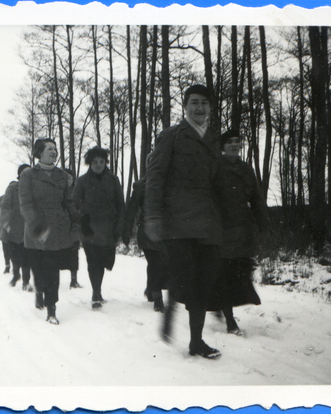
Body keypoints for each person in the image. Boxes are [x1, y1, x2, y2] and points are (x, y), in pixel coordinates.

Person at [144, 84, 223, 359]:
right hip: (178, 221)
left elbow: (219, 182)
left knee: (203, 281)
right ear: (185, 106)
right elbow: (154, 179)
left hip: (208, 222)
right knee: (184, 277)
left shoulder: (214, 139)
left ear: (210, 107)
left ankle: (196, 342)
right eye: (194, 102)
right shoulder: (170, 137)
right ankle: (171, 308)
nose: (199, 108)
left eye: (204, 103)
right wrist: (153, 216)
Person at [215, 130, 270, 335]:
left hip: (243, 229)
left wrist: (263, 221)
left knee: (241, 273)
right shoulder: (215, 167)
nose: (235, 145)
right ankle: (230, 321)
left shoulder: (246, 169)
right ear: (223, 146)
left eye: (238, 142)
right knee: (224, 275)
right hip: (221, 229)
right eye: (230, 142)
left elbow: (256, 196)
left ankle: (222, 306)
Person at [19, 138, 79, 325]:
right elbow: (26, 204)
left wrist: (76, 219)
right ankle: (39, 291)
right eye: (49, 149)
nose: (54, 152)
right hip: (36, 228)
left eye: (55, 149)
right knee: (38, 269)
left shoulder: (62, 176)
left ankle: (51, 309)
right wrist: (36, 226)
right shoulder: (28, 175)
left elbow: (68, 202)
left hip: (57, 229)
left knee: (52, 270)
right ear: (40, 152)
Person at [73, 147, 125, 309]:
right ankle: (96, 293)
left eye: (101, 161)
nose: (98, 165)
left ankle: (98, 290)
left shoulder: (113, 180)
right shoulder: (82, 181)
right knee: (93, 260)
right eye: (95, 162)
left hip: (108, 229)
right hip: (89, 228)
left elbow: (121, 206)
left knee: (104, 261)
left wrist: (119, 229)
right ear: (89, 163)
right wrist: (82, 220)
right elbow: (74, 203)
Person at [123, 178, 170, 313]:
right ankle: (157, 298)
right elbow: (132, 209)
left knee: (160, 263)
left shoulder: (168, 183)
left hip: (165, 233)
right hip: (147, 232)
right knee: (155, 263)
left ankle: (151, 288)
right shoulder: (141, 186)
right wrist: (126, 232)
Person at [1, 164, 33, 291]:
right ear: (20, 175)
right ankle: (16, 274)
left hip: (28, 226)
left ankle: (26, 282)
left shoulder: (34, 188)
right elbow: (4, 206)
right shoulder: (13, 188)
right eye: (24, 173)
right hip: (14, 226)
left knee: (27, 256)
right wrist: (5, 222)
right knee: (15, 255)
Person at [61, 168, 82, 289]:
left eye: (70, 178)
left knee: (74, 254)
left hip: (74, 227)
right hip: (60, 228)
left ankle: (73, 280)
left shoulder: (76, 192)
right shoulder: (57, 192)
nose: (68, 180)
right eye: (66, 177)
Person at [0, 195, 11, 274]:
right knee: (6, 248)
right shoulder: (2, 198)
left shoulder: (20, 196)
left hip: (17, 227)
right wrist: (3, 216)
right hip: (5, 227)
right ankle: (7, 265)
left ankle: (16, 267)